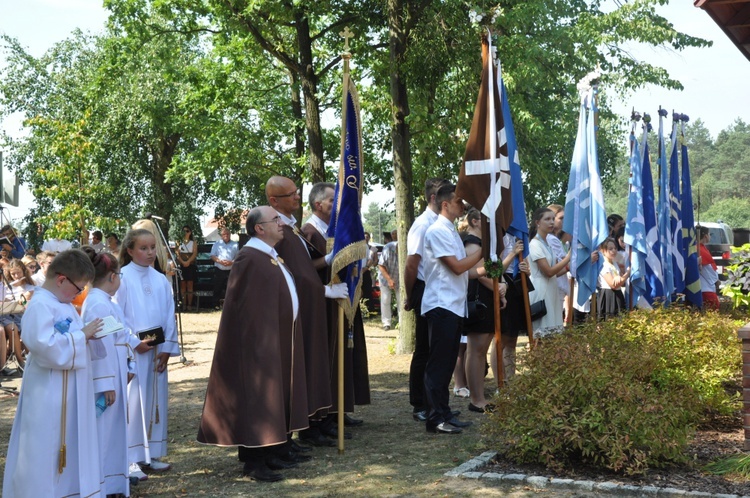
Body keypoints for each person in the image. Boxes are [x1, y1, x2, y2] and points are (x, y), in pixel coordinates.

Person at [197, 206, 310, 482]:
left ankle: (273, 451)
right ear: (259, 228)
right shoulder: (249, 257)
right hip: (258, 344)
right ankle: (254, 462)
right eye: (275, 220)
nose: (281, 223)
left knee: (274, 398)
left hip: (278, 338)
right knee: (257, 400)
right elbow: (245, 307)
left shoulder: (271, 256)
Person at [3, 249, 104, 498]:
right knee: (45, 450)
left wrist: (89, 336)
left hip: (70, 393)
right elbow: (45, 347)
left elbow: (76, 339)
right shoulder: (40, 305)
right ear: (61, 280)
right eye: (78, 288)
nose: (79, 294)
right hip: (48, 396)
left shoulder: (64, 305)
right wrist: (82, 336)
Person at [266, 175, 342, 447]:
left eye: (297, 192)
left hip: (307, 305)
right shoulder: (277, 230)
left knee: (313, 363)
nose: (298, 197)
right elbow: (293, 273)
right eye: (291, 194)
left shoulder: (291, 227)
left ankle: (312, 420)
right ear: (274, 201)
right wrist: (322, 290)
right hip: (298, 309)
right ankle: (304, 426)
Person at [301, 182, 370, 432]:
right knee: (329, 356)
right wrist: (329, 259)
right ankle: (326, 415)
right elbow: (305, 268)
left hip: (343, 299)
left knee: (344, 355)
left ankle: (340, 408)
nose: (337, 205)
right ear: (318, 205)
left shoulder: (336, 228)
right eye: (332, 200)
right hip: (324, 302)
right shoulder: (309, 231)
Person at [421, 183, 484, 434]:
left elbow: (465, 272)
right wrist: (482, 252)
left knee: (447, 363)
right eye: (459, 202)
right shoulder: (437, 231)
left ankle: (444, 412)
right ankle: (435, 418)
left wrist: (486, 267)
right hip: (441, 304)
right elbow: (457, 267)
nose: (463, 205)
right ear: (445, 204)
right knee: (439, 364)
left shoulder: (450, 232)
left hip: (454, 305)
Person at [116, 228, 179, 478]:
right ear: (130, 250)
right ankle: (130, 458)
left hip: (155, 351)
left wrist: (165, 349)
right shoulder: (122, 277)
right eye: (144, 248)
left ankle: (149, 453)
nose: (150, 252)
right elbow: (118, 315)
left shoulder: (160, 279)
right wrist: (133, 342)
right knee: (133, 402)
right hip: (133, 352)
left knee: (154, 401)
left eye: (153, 247)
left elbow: (168, 315)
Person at [81, 248, 137, 497]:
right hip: (107, 374)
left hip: (116, 367)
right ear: (113, 276)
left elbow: (120, 337)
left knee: (115, 429)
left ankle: (114, 481)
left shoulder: (105, 301)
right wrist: (105, 383)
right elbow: (98, 345)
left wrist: (129, 365)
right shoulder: (96, 303)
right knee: (105, 431)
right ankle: (104, 483)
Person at [404, 178, 450, 423]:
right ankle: (419, 403)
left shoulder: (443, 224)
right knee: (424, 348)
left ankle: (437, 402)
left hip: (438, 289)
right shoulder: (422, 225)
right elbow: (412, 264)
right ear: (434, 198)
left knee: (438, 349)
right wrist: (410, 295)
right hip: (424, 288)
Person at [528, 207, 571, 337]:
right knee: (542, 335)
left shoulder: (547, 243)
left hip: (551, 287)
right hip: (541, 290)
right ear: (537, 222)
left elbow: (556, 272)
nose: (551, 222)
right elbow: (548, 271)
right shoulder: (535, 244)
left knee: (553, 335)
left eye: (553, 219)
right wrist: (568, 258)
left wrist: (572, 264)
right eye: (547, 219)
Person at [597, 238, 629, 320]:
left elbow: (620, 281)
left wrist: (621, 277)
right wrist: (628, 273)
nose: (614, 251)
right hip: (608, 295)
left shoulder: (614, 263)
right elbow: (613, 284)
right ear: (603, 250)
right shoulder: (603, 265)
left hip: (618, 294)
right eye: (610, 249)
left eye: (615, 248)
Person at [209, 228, 238, 309]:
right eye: (224, 234)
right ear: (221, 236)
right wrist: (220, 261)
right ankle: (215, 305)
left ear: (230, 234)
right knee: (217, 287)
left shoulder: (235, 244)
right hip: (219, 268)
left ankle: (230, 306)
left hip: (230, 269)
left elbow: (238, 257)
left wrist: (231, 262)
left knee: (231, 288)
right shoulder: (217, 244)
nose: (226, 236)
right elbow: (212, 255)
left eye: (227, 234)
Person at [378, 229, 399, 330]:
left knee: (401, 301)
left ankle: (402, 323)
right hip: (385, 277)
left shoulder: (407, 248)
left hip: (399, 278)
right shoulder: (388, 248)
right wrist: (389, 280)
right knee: (386, 299)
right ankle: (386, 323)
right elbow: (381, 266)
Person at [176, 225, 198, 311]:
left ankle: (189, 305)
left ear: (190, 232)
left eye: (187, 231)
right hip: (182, 265)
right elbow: (177, 253)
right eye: (184, 231)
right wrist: (182, 261)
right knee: (182, 285)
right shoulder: (179, 242)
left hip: (190, 265)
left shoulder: (193, 242)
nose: (185, 233)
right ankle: (183, 304)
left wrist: (188, 261)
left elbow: (195, 253)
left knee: (190, 285)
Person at [698, 226, 720, 310]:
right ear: (706, 236)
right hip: (706, 286)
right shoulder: (699, 249)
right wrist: (716, 280)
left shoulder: (700, 247)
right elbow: (707, 270)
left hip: (705, 286)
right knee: (713, 307)